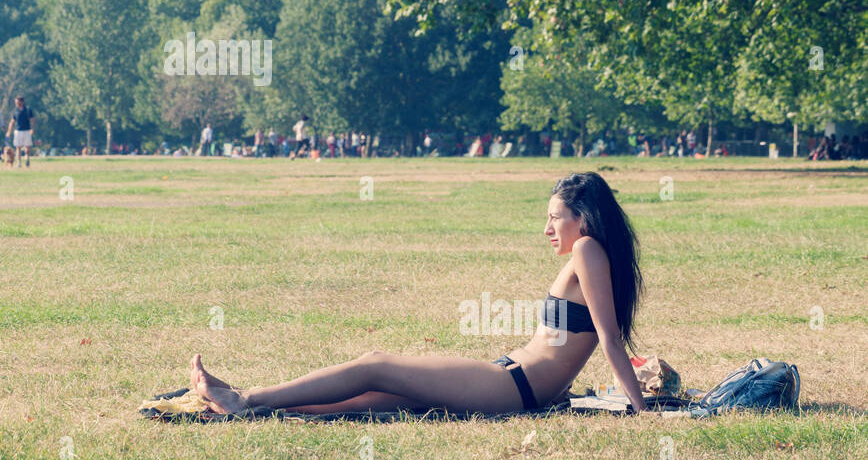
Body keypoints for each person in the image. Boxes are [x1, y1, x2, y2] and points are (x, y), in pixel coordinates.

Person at [189, 172, 648, 416]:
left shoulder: (587, 250)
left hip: (515, 388)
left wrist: (642, 410)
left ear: (583, 218)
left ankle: (244, 400)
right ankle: (251, 404)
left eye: (555, 218)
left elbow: (608, 339)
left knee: (375, 364)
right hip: (511, 378)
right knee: (366, 401)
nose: (546, 229)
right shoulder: (591, 254)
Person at [6, 95, 35, 167]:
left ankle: (27, 159)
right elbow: (12, 122)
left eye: (18, 102)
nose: (16, 104)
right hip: (18, 131)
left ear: (22, 102)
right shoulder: (15, 111)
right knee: (18, 147)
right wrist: (9, 131)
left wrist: (32, 129)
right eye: (16, 102)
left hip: (27, 131)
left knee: (27, 148)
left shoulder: (28, 110)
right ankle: (19, 163)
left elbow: (32, 120)